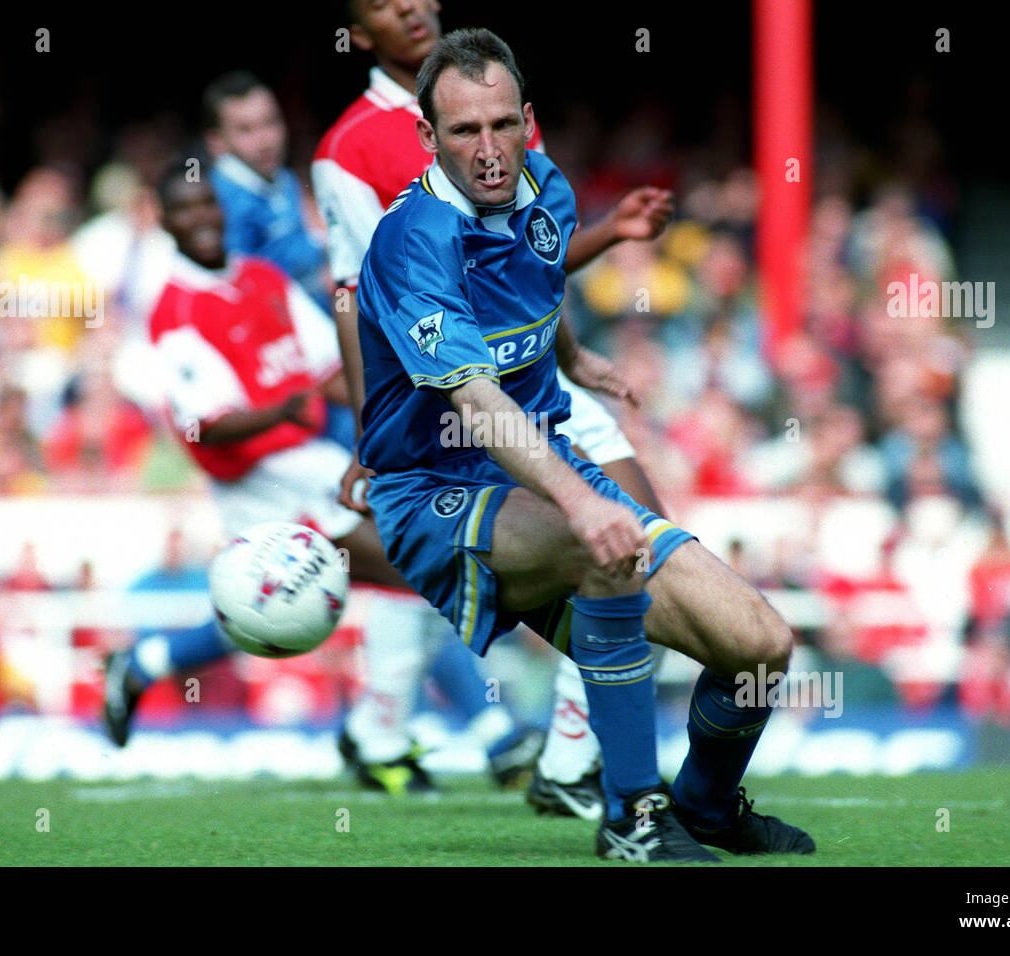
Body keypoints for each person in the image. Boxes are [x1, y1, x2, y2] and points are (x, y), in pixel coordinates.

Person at [354, 28, 814, 861]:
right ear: (427, 137)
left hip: (540, 469)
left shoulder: (547, 188)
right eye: (463, 130)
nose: (487, 149)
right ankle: (631, 814)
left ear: (528, 121)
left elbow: (536, 278)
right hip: (433, 493)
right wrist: (581, 499)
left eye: (502, 124)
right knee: (601, 544)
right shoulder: (411, 239)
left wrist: (570, 357)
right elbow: (475, 401)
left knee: (758, 646)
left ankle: (706, 806)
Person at [313, 0, 676, 822]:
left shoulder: (492, 94)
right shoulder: (347, 150)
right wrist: (372, 434)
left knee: (644, 545)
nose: (410, 10)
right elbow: (355, 294)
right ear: (360, 31)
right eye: (385, 4)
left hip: (540, 377)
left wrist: (576, 347)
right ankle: (429, 728)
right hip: (455, 395)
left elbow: (533, 255)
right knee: (576, 558)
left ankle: (570, 760)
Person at [103, 170, 540, 791]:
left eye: (208, 204)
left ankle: (145, 664)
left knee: (287, 605)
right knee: (411, 569)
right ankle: (459, 732)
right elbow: (205, 426)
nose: (201, 217)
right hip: (258, 479)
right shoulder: (174, 311)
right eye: (185, 208)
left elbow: (331, 370)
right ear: (165, 222)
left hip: (309, 462)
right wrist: (287, 407)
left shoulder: (264, 279)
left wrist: (388, 418)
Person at [202, 71, 330, 304]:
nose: (265, 140)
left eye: (270, 122)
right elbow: (240, 293)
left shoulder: (284, 177)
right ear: (216, 142)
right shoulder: (219, 203)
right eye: (245, 130)